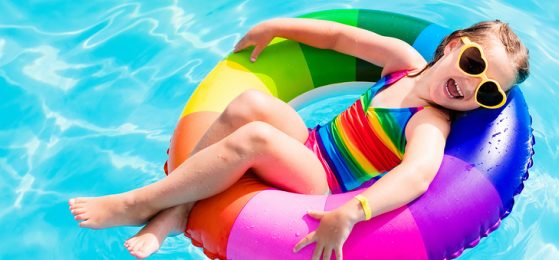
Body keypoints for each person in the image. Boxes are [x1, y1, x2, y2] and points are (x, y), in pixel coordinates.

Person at [69, 17, 529, 259]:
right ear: (452, 46)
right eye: (473, 64)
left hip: (324, 182)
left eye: (488, 92)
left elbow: (417, 176)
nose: (471, 86)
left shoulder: (430, 123)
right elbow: (339, 37)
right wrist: (277, 28)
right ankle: (179, 208)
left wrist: (351, 212)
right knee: (250, 104)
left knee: (256, 139)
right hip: (312, 142)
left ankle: (139, 204)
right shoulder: (402, 62)